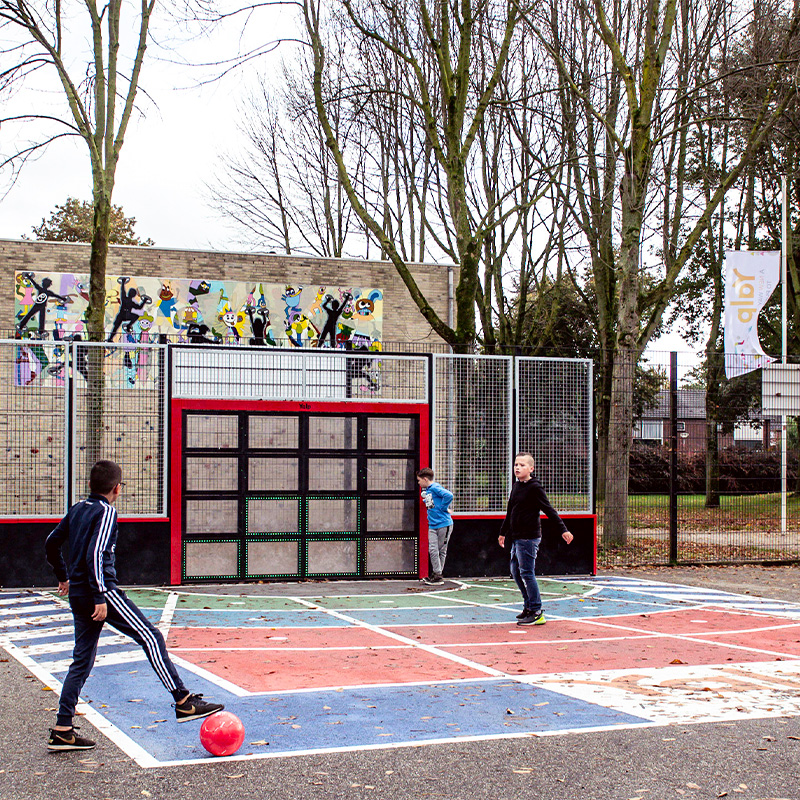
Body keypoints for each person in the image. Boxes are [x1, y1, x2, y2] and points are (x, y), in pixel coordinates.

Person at [45, 460, 224, 751]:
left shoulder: (78, 508)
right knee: (151, 637)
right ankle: (183, 701)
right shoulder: (106, 512)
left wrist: (62, 576)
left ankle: (63, 729)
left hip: (78, 593)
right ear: (116, 488)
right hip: (100, 593)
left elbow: (51, 543)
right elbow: (95, 554)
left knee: (82, 661)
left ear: (91, 485)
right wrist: (101, 594)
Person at [498, 453, 574, 626]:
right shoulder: (516, 486)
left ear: (531, 468)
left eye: (522, 465)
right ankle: (529, 606)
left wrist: (563, 530)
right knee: (516, 572)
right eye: (516, 464)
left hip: (528, 539)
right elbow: (511, 511)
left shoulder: (535, 488)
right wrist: (503, 532)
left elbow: (549, 509)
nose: (518, 467)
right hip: (516, 537)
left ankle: (537, 611)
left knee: (526, 573)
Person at [416, 468, 454, 586]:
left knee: (440, 550)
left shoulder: (435, 488)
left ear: (425, 479)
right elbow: (432, 504)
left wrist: (443, 508)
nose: (418, 483)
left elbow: (449, 495)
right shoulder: (428, 490)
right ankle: (437, 573)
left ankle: (437, 575)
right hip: (432, 524)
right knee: (433, 549)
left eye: (419, 480)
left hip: (443, 524)